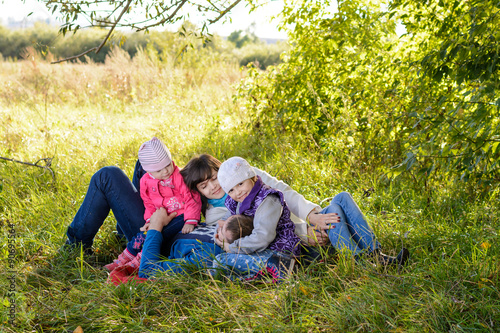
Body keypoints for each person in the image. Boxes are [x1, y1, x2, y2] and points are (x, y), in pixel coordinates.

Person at [103, 137, 201, 271]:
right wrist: (150, 220)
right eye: (159, 170)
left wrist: (190, 220)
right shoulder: (145, 181)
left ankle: (140, 259)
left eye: (168, 165)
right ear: (148, 171)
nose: (166, 171)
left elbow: (191, 197)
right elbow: (148, 202)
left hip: (180, 216)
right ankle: (123, 258)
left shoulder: (178, 177)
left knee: (158, 234)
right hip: (159, 216)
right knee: (142, 235)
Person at [211, 157, 301, 279]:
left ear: (252, 177)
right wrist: (220, 233)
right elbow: (226, 218)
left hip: (279, 250)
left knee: (221, 261)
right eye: (231, 190)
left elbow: (263, 237)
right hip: (258, 248)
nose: (237, 192)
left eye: (240, 184)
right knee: (220, 264)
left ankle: (280, 266)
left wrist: (232, 247)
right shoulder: (239, 201)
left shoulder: (268, 199)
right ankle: (261, 275)